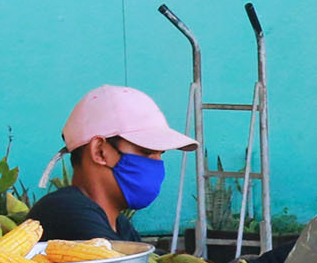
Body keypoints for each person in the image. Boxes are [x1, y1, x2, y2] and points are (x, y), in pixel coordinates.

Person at [30, 85, 197, 246]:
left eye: (161, 154)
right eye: (146, 152)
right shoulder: (65, 211)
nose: (157, 165)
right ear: (100, 151)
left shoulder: (120, 225)